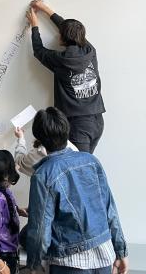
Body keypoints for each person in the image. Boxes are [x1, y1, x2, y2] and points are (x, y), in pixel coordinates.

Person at [26, 106, 128, 274]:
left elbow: (40, 228)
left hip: (68, 262)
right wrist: (121, 251)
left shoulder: (43, 175)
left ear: (39, 139)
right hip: (104, 253)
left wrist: (34, 265)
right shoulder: (91, 161)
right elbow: (110, 210)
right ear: (67, 130)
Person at [26, 0, 105, 153]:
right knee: (84, 167)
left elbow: (39, 51)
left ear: (61, 38)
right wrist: (45, 8)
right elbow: (69, 29)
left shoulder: (60, 60)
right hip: (98, 120)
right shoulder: (90, 51)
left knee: (80, 171)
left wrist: (34, 25)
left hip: (78, 125)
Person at [14, 126, 78, 250]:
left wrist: (21, 138)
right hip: (75, 219)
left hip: (60, 224)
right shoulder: (75, 150)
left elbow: (19, 162)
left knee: (24, 238)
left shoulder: (39, 158)